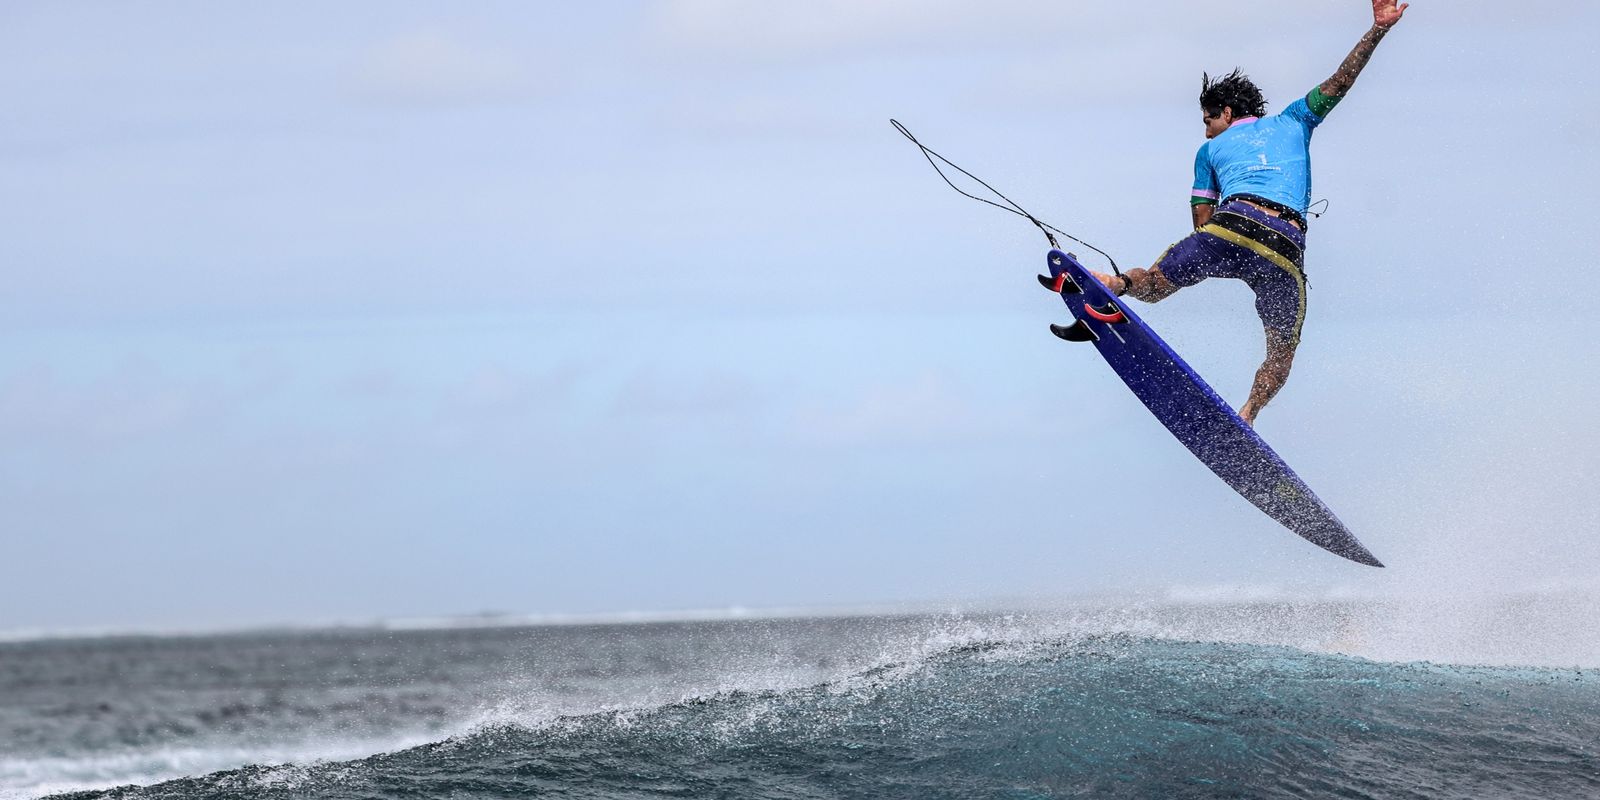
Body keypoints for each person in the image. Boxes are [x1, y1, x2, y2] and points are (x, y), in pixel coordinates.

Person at [1091, 0, 1408, 426]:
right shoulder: (1296, 120)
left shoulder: (1208, 151)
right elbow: (1341, 81)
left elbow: (1202, 224)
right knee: (1282, 351)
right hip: (1284, 249)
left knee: (1155, 285)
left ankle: (1114, 282)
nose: (1205, 130)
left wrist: (1210, 261)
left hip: (1232, 229)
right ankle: (1249, 413)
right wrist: (1378, 30)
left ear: (1226, 113)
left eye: (1208, 120)